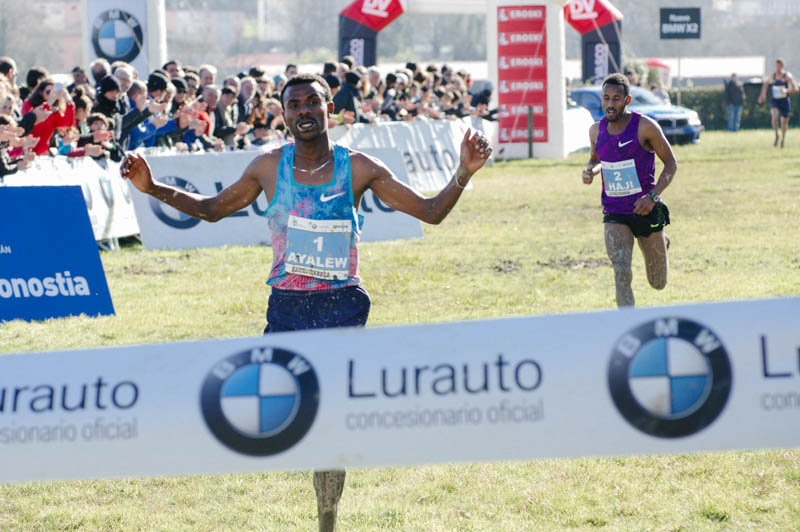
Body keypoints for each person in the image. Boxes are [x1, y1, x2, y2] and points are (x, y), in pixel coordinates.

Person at [120, 72, 492, 532]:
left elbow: (431, 212)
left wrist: (462, 173)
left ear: (328, 108)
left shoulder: (358, 168)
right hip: (288, 308)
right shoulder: (266, 167)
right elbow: (212, 209)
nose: (304, 112)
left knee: (328, 420)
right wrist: (152, 187)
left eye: (312, 103)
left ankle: (327, 517)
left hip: (341, 305)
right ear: (283, 113)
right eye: (294, 105)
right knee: (278, 413)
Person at [581, 73, 677, 308]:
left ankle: (660, 240)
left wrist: (652, 196)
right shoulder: (596, 131)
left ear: (627, 100)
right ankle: (627, 323)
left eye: (616, 98)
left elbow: (671, 164)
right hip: (614, 212)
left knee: (658, 283)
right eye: (606, 98)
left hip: (646, 209)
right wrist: (589, 171)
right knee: (621, 272)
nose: (610, 104)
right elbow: (596, 160)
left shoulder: (645, 127)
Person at [758, 59, 797, 148]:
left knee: (784, 122)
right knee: (774, 116)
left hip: (785, 101)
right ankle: (776, 134)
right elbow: (765, 84)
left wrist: (786, 90)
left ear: (782, 66)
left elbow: (795, 88)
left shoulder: (787, 76)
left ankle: (783, 139)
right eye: (776, 66)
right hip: (775, 100)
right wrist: (762, 95)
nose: (778, 68)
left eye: (779, 66)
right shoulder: (773, 76)